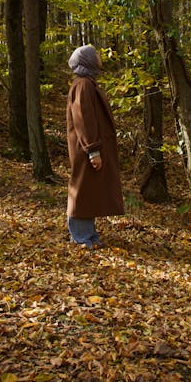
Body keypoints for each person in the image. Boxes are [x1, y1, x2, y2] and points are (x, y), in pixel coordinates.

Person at [66, 44, 124, 248]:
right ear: (88, 60)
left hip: (88, 147)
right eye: (96, 54)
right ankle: (81, 236)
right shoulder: (83, 85)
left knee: (89, 190)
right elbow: (84, 119)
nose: (99, 56)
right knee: (83, 190)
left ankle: (87, 234)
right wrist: (93, 150)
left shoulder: (87, 83)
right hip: (86, 148)